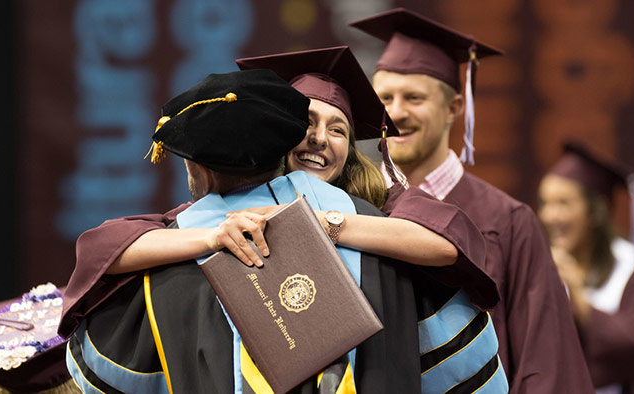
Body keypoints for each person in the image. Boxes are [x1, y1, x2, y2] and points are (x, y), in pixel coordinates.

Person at [61, 47, 507, 393]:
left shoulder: (385, 214)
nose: (318, 139)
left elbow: (448, 241)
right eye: (307, 123)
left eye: (338, 129)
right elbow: (111, 246)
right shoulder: (210, 221)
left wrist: (319, 222)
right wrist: (214, 235)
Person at [349, 8, 595, 393]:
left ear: (454, 109)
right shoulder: (353, 205)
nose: (395, 113)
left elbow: (546, 357)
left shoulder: (508, 220)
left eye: (414, 98)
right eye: (385, 98)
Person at [538, 141, 634, 394]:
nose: (549, 215)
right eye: (545, 203)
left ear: (596, 210)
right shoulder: (540, 266)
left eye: (564, 203)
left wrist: (581, 303)